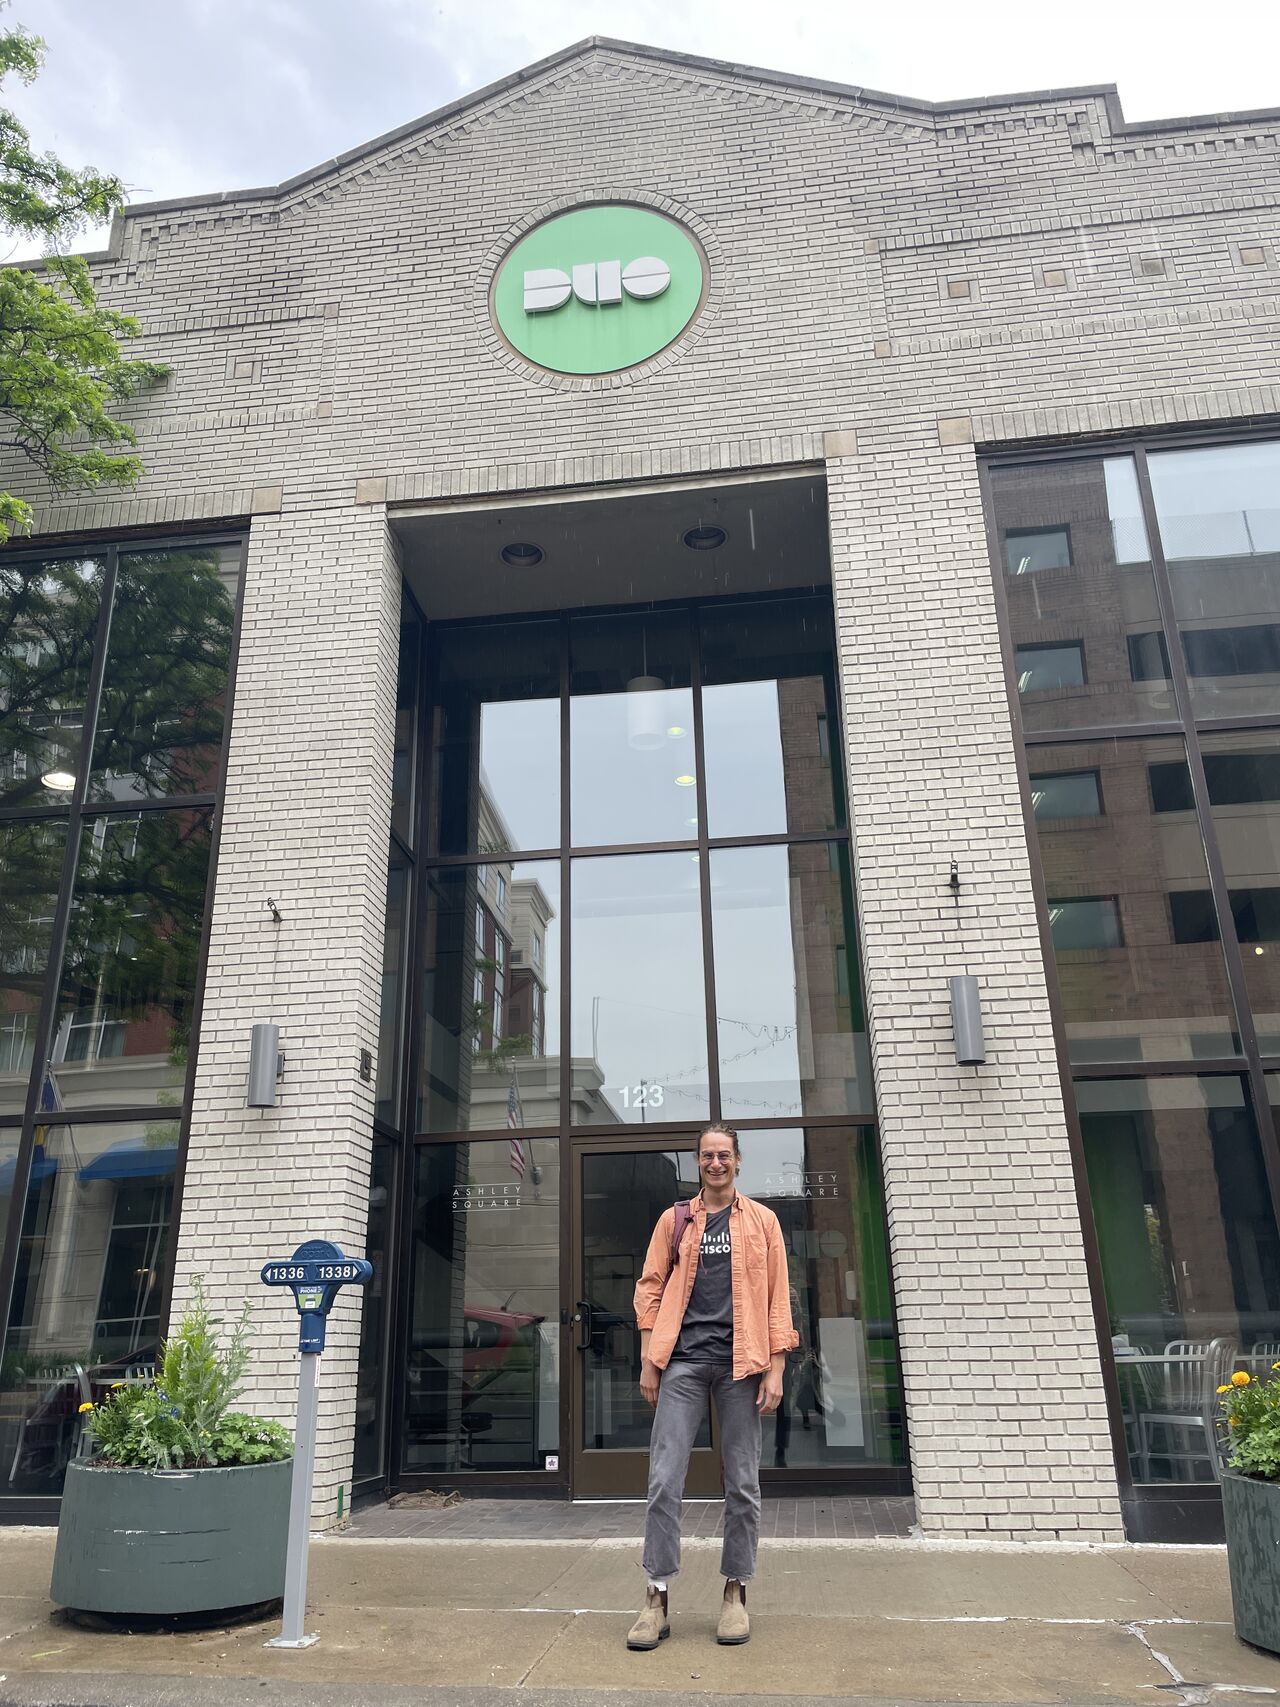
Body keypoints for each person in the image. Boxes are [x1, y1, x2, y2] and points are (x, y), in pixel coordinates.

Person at [626, 1123, 798, 1651]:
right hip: (682, 1362)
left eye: (724, 1155)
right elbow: (650, 1288)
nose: (716, 1163)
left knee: (742, 1483)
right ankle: (656, 1597)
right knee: (664, 1480)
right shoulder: (675, 1219)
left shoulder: (763, 1221)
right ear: (698, 1162)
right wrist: (649, 1359)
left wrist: (776, 1366)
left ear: (738, 1161)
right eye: (707, 1155)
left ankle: (735, 1593)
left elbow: (777, 1297)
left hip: (741, 1366)